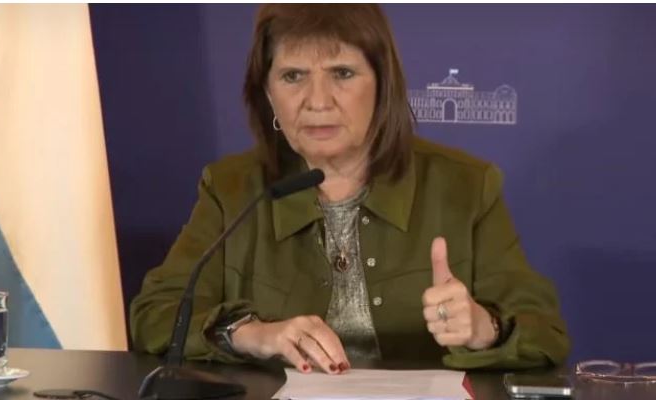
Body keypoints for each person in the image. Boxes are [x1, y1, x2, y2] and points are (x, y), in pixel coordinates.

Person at [130, 4, 570, 374]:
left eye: (342, 73)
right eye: (293, 76)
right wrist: (252, 334)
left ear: (382, 85)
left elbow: (545, 332)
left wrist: (483, 328)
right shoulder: (232, 188)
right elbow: (156, 315)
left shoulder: (466, 186)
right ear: (267, 94)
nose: (318, 101)